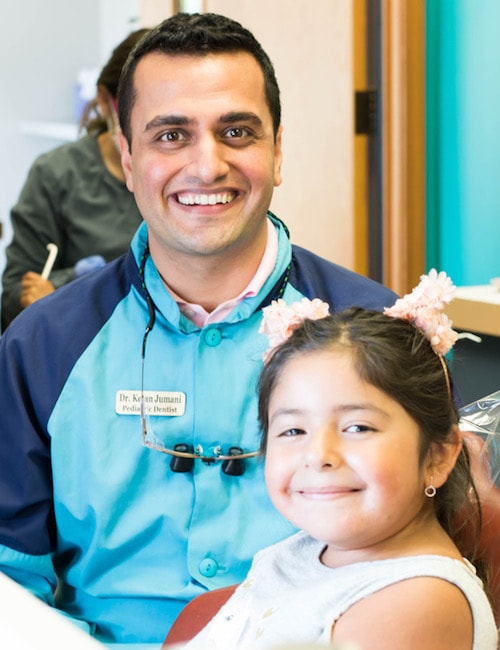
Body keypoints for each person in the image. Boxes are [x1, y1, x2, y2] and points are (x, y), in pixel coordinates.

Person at [0, 13, 398, 646]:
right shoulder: (40, 348)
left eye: (236, 131)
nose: (207, 165)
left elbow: (420, 559)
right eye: (171, 136)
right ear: (126, 157)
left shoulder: (379, 331)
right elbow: (11, 583)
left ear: (277, 150)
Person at [182, 273, 498, 650]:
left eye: (358, 427)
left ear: (438, 455)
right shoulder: (310, 552)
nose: (318, 455)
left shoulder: (416, 603)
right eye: (293, 431)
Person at [0, 29, 148, 332]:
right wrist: (63, 289)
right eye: (131, 108)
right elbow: (15, 298)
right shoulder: (56, 174)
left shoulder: (185, 178)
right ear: (106, 102)